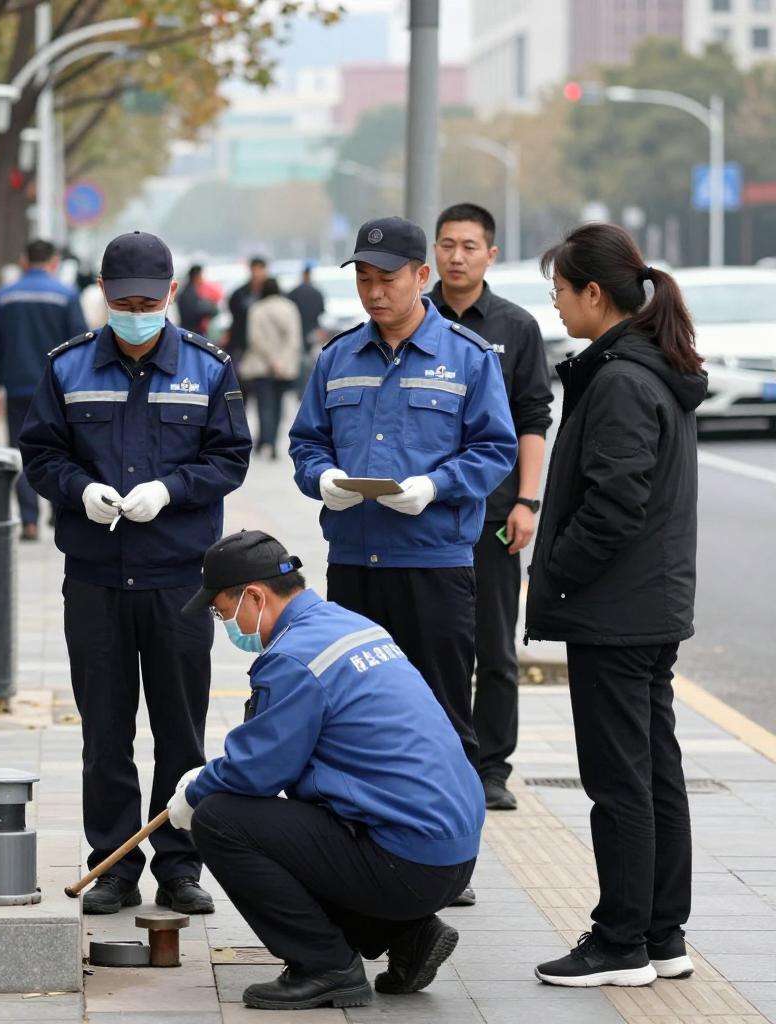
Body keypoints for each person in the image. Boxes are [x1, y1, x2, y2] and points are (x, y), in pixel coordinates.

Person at [19, 230, 252, 917]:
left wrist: (171, 490)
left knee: (181, 731)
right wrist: (77, 489)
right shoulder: (67, 367)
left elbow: (230, 457)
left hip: (179, 580)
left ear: (173, 294)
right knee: (104, 732)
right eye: (122, 301)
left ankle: (180, 867)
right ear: (102, 294)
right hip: (94, 577)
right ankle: (114, 865)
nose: (135, 312)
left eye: (148, 300)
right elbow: (41, 453)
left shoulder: (209, 368)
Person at [167, 530, 484, 1011]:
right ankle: (408, 934)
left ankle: (325, 967)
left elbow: (256, 772)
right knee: (300, 822)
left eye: (221, 610)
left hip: (410, 859)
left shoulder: (294, 658)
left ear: (254, 596)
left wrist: (194, 791)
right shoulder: (348, 624)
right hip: (451, 854)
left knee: (221, 819)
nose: (224, 623)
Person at [527, 223, 706, 987]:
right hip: (644, 605)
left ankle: (620, 941)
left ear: (594, 293)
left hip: (617, 610)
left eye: (561, 292)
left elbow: (615, 503)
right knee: (653, 770)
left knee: (619, 780)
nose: (557, 306)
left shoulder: (624, 381)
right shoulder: (642, 366)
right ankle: (662, 935)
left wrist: (557, 577)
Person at [289, 216, 516, 773]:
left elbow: (494, 450)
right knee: (352, 717)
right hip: (353, 564)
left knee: (440, 716)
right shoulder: (337, 358)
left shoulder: (468, 357)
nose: (374, 291)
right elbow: (306, 443)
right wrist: (321, 479)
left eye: (387, 278)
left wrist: (435, 486)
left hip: (432, 566)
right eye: (363, 279)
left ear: (421, 276)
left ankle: (448, 844)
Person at [430, 203, 553, 811]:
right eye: (447, 244)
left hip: (495, 513)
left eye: (469, 246)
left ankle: (491, 767)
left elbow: (534, 418)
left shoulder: (516, 326)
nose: (457, 256)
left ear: (490, 255)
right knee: (426, 643)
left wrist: (527, 500)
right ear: (432, 252)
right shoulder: (410, 317)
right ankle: (434, 757)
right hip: (420, 514)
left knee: (494, 647)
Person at [0, 239, 88, 540]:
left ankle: (29, 520)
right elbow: (80, 342)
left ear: (24, 261)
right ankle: (59, 512)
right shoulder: (66, 295)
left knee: (21, 450)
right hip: (59, 387)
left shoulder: (4, 297)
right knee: (62, 448)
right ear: (54, 262)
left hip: (17, 388)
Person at [240, 278, 303, 459]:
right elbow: (294, 339)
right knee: (278, 407)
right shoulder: (290, 308)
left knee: (263, 407)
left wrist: (272, 360)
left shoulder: (257, 309)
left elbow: (255, 339)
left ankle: (265, 441)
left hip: (262, 367)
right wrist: (282, 362)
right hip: (284, 369)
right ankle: (273, 444)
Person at [288, 262, 327, 397]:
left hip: (297, 330)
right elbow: (321, 311)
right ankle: (310, 390)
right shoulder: (317, 292)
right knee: (312, 362)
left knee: (300, 362)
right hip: (312, 331)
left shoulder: (294, 292)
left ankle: (300, 390)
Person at [225, 255, 268, 367]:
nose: (257, 274)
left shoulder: (271, 293)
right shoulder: (240, 294)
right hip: (243, 343)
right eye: (255, 270)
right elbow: (235, 317)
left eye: (260, 270)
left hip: (266, 344)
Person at [177, 264, 219, 334]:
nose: (203, 278)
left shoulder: (187, 290)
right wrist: (213, 308)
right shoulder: (189, 293)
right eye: (202, 275)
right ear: (197, 276)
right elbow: (198, 310)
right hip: (191, 331)